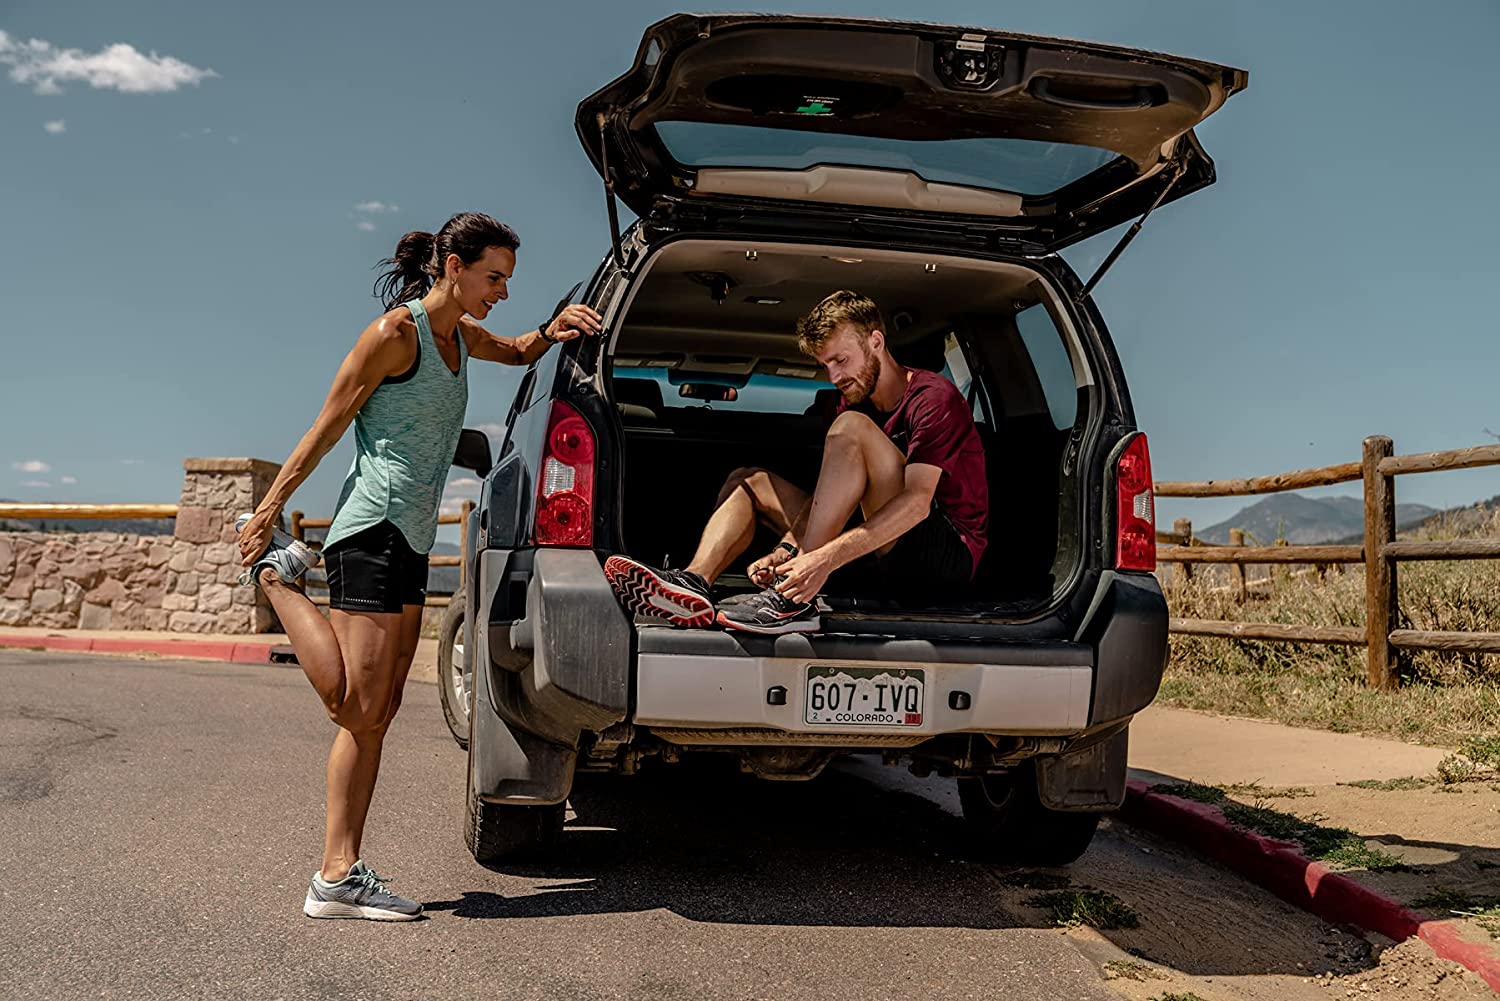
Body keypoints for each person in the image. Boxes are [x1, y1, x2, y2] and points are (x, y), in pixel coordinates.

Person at [236, 212, 601, 920]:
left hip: (410, 536)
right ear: (453, 266)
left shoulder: (460, 336)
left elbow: (517, 349)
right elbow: (327, 425)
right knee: (354, 704)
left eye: (507, 280)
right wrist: (267, 508)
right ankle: (276, 576)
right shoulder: (393, 335)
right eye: (494, 276)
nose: (502, 290)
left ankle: (337, 876)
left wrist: (555, 327)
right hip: (370, 528)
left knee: (377, 716)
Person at [605, 290, 987, 635]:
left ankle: (793, 599)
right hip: (874, 547)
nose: (834, 376)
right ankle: (693, 584)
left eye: (841, 360)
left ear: (876, 341)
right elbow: (828, 497)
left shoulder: (932, 398)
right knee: (749, 481)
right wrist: (786, 551)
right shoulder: (851, 399)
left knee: (852, 428)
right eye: (826, 365)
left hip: (942, 560)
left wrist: (820, 560)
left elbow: (918, 504)